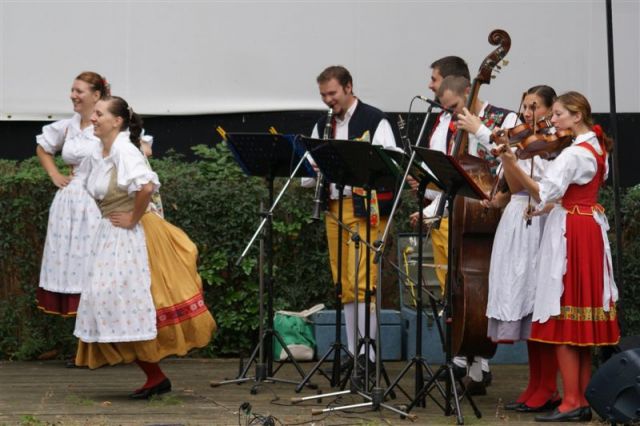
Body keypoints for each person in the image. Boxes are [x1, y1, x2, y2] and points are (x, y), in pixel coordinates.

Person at [73, 96, 216, 399]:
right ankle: (155, 376)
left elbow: (146, 187)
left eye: (99, 114)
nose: (93, 118)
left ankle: (155, 375)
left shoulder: (125, 149)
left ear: (117, 121)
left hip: (134, 234)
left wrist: (133, 217)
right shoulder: (101, 151)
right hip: (111, 235)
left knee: (132, 302)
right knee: (109, 302)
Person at [499, 91, 620, 422]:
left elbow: (543, 191)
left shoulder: (572, 155)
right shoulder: (597, 148)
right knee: (580, 317)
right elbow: (574, 193)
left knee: (563, 314)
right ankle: (578, 399)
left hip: (570, 234)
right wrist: (545, 210)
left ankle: (571, 401)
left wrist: (512, 163)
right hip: (589, 228)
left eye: (558, 114)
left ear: (577, 116)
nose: (552, 121)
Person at [302, 65, 398, 375]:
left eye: (332, 93)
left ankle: (368, 356)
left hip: (364, 207)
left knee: (362, 280)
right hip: (334, 206)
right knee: (343, 283)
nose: (328, 100)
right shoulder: (322, 124)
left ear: (348, 87)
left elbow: (391, 164)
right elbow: (309, 171)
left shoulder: (374, 118)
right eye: (323, 95)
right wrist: (312, 171)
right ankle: (352, 352)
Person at [435, 74, 519, 395]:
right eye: (448, 109)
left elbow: (509, 158)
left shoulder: (504, 118)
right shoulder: (451, 125)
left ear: (469, 92)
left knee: (486, 287)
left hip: (496, 209)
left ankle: (480, 362)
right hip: (464, 215)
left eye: (455, 106)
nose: (453, 114)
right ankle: (468, 360)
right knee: (466, 286)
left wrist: (479, 132)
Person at [484, 86, 560, 412]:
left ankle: (548, 386)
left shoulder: (554, 145)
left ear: (549, 109)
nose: (527, 114)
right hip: (517, 217)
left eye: (534, 107)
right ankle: (535, 383)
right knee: (525, 308)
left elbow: (540, 190)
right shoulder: (524, 141)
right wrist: (506, 156)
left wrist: (509, 157)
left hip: (539, 221)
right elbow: (512, 188)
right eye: (525, 107)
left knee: (537, 304)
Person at [35, 72, 108, 318]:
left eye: (79, 91)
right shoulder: (68, 125)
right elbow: (43, 148)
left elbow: (138, 150)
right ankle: (82, 344)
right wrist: (54, 174)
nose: (73, 95)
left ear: (96, 95)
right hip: (68, 204)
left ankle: (100, 342)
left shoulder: (107, 123)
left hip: (97, 201)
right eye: (73, 90)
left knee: (95, 262)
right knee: (70, 263)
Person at [409, 56, 471, 293]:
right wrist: (423, 180)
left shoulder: (464, 120)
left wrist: (431, 208)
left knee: (458, 286)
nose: (430, 85)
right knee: (445, 286)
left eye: (434, 79)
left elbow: (461, 174)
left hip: (455, 216)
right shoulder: (443, 117)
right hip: (438, 215)